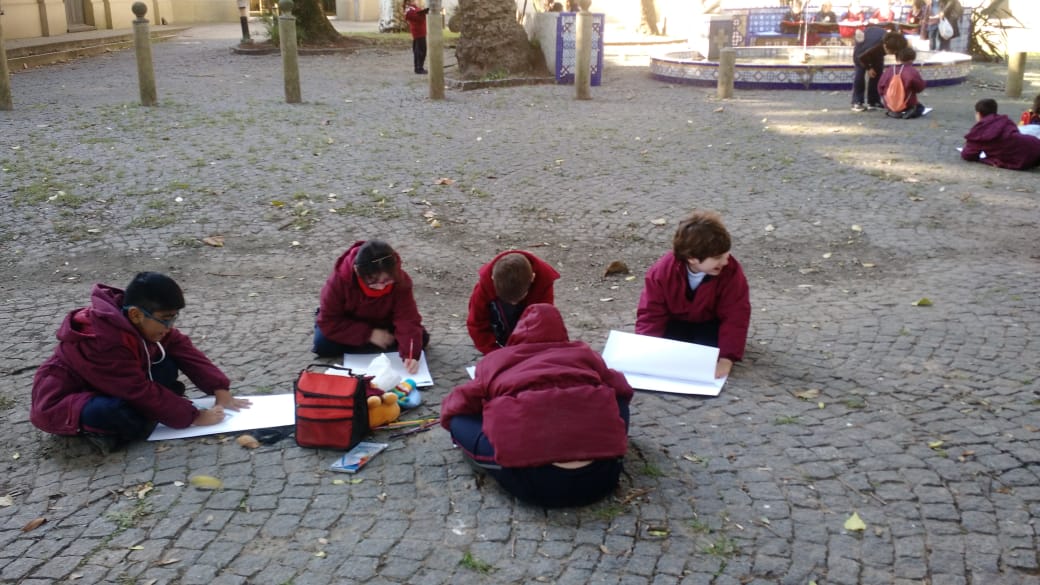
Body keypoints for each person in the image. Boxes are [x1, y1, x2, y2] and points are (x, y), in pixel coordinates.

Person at [30, 272, 251, 454]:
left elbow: (181, 346)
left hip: (114, 382)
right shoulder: (103, 340)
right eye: (165, 319)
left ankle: (153, 411)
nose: (170, 327)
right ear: (136, 315)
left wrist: (219, 388)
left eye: (174, 318)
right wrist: (194, 416)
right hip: (68, 400)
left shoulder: (137, 318)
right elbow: (136, 389)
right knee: (115, 413)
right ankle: (99, 434)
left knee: (167, 363)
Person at [441, 303, 633, 508]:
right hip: (602, 476)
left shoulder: (495, 360)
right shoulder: (585, 353)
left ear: (518, 333)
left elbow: (459, 401)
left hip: (532, 482)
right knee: (616, 399)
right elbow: (622, 388)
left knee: (458, 421)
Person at [635, 210, 751, 379]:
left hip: (709, 324)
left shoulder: (731, 272)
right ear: (692, 258)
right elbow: (651, 312)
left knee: (707, 352)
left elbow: (736, 314)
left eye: (726, 254)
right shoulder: (662, 272)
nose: (725, 261)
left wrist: (727, 358)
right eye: (718, 257)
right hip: (675, 323)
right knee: (669, 351)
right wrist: (646, 348)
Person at [312, 240, 428, 374]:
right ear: (357, 271)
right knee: (323, 345)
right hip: (349, 324)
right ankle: (370, 344)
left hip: (384, 323)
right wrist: (368, 334)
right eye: (373, 282)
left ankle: (370, 345)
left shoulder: (401, 281)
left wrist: (410, 354)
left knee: (420, 339)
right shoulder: (338, 282)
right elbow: (329, 321)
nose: (381, 287)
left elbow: (407, 318)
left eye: (387, 281)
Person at [466, 250, 560, 355]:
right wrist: (494, 353)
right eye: (507, 299)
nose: (514, 303)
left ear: (533, 278)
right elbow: (477, 324)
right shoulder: (484, 286)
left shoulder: (544, 281)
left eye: (520, 298)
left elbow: (543, 323)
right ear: (492, 278)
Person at [960, 98, 1040, 170]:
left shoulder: (980, 130)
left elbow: (968, 154)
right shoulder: (1005, 120)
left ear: (979, 114)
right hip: (1034, 144)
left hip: (1020, 157)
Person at [850, 23, 894, 112]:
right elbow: (862, 57)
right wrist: (869, 68)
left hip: (877, 52)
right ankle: (857, 101)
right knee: (860, 75)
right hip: (861, 52)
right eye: (889, 52)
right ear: (886, 46)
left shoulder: (891, 41)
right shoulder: (876, 44)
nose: (889, 53)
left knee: (877, 74)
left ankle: (874, 101)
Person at [879, 46, 927, 119]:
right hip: (907, 102)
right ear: (912, 59)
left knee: (892, 102)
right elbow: (919, 87)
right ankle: (910, 111)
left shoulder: (889, 70)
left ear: (899, 58)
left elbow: (880, 87)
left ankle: (892, 111)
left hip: (889, 102)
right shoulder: (912, 71)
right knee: (920, 107)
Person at [403, 0, 429, 75]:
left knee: (421, 50)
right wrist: (423, 14)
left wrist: (423, 12)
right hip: (418, 32)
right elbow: (414, 17)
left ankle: (419, 67)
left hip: (421, 31)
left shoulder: (414, 8)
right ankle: (418, 68)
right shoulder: (409, 9)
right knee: (420, 51)